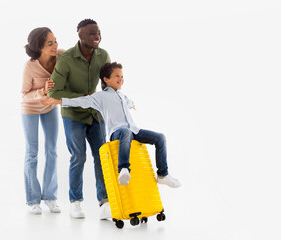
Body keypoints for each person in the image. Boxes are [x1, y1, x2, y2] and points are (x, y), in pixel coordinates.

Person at [42, 62, 181, 190]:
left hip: (134, 131)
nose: (121, 79)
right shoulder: (100, 97)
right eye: (117, 76)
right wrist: (56, 101)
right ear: (106, 79)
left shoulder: (122, 96)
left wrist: (132, 104)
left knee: (160, 138)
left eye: (122, 76)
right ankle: (124, 169)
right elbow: (80, 101)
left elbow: (129, 103)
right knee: (125, 132)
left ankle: (163, 174)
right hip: (117, 132)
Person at [47, 19, 110, 219]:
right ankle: (75, 202)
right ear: (79, 35)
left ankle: (105, 202)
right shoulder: (66, 60)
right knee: (78, 157)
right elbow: (54, 92)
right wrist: (81, 99)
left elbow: (107, 86)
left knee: (102, 157)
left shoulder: (103, 55)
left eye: (98, 32)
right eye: (92, 33)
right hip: (73, 115)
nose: (97, 36)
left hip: (94, 114)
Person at [21, 27, 63, 214]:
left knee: (52, 151)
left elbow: (79, 53)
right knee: (32, 153)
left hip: (50, 108)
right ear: (39, 47)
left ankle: (50, 197)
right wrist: (42, 91)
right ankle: (32, 200)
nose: (55, 45)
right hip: (30, 108)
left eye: (55, 41)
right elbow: (24, 95)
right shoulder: (29, 66)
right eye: (50, 43)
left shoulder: (60, 56)